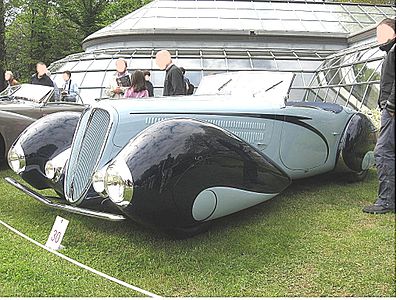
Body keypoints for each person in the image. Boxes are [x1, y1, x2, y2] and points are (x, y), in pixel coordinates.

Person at [363, 18, 396, 214]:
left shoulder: (395, 51)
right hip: (389, 109)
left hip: (392, 111)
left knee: (383, 152)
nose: (379, 38)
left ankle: (386, 201)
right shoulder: (390, 52)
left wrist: (391, 104)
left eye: (383, 33)